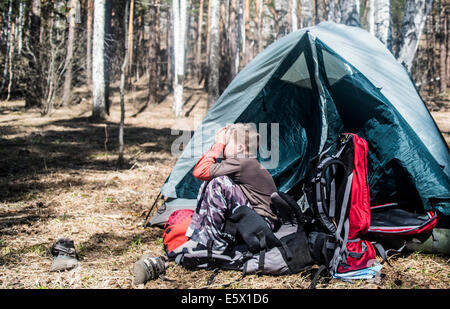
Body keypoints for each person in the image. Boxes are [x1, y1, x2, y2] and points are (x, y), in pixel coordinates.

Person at [180, 123, 279, 253]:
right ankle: (204, 237)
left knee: (218, 183)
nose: (223, 148)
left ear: (239, 147)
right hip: (254, 221)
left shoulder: (241, 161)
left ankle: (215, 243)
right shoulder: (244, 162)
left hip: (260, 225)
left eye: (226, 144)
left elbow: (200, 171)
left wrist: (218, 144)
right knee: (212, 181)